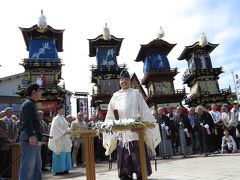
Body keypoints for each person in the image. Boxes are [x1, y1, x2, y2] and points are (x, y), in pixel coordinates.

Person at [103, 70, 160, 180]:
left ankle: (141, 174)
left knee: (138, 158)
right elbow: (110, 115)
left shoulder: (136, 93)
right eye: (122, 80)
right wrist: (108, 125)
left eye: (126, 79)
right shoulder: (115, 96)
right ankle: (125, 175)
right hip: (122, 133)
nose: (124, 81)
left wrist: (150, 123)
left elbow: (145, 111)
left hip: (136, 132)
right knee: (124, 159)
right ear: (119, 82)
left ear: (129, 81)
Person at [19, 83, 43, 180]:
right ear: (34, 92)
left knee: (37, 166)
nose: (41, 93)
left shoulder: (31, 104)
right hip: (30, 137)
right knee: (28, 167)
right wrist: (31, 135)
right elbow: (26, 122)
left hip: (33, 137)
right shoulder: (28, 104)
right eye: (39, 91)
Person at [48, 104, 72, 175]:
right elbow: (55, 129)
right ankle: (59, 170)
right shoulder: (55, 119)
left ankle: (65, 168)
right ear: (58, 110)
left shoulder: (63, 118)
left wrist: (68, 130)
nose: (63, 110)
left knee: (66, 153)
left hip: (65, 139)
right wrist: (64, 132)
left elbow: (67, 126)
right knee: (60, 153)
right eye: (62, 109)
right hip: (59, 138)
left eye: (63, 109)